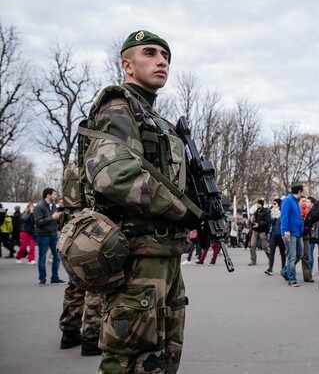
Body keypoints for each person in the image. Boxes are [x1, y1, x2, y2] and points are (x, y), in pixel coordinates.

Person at [84, 30, 201, 373]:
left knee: (162, 356)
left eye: (165, 56)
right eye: (149, 53)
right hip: (137, 255)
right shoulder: (119, 106)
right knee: (128, 358)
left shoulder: (155, 118)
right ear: (127, 64)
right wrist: (185, 211)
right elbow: (114, 175)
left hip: (165, 254)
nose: (161, 60)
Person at [33, 188, 64, 286]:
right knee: (42, 258)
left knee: (57, 256)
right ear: (48, 195)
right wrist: (52, 217)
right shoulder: (39, 206)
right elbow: (38, 222)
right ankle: (42, 279)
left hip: (53, 234)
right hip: (43, 235)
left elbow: (56, 216)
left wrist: (61, 209)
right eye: (54, 194)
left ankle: (55, 277)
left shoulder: (53, 205)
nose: (55, 196)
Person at [280, 184, 305, 287]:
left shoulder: (295, 202)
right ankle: (292, 279)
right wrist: (286, 230)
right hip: (290, 233)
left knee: (299, 254)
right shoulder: (288, 200)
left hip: (297, 233)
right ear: (299, 191)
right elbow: (284, 216)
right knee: (292, 256)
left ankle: (285, 271)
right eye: (302, 192)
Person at [265, 199, 285, 276]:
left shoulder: (283, 212)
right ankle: (270, 268)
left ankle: (283, 268)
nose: (273, 205)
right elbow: (270, 223)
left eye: (275, 203)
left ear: (279, 204)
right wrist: (273, 215)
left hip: (281, 235)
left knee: (283, 253)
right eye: (273, 203)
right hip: (273, 234)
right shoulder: (272, 212)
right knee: (271, 252)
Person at [248, 199, 270, 266]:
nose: (257, 205)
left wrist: (259, 224)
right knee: (252, 245)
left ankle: (270, 258)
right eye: (257, 204)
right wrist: (251, 220)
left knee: (264, 246)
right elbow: (254, 219)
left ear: (261, 204)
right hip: (255, 230)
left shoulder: (266, 211)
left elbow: (266, 221)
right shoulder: (256, 211)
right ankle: (253, 261)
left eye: (258, 204)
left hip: (262, 231)